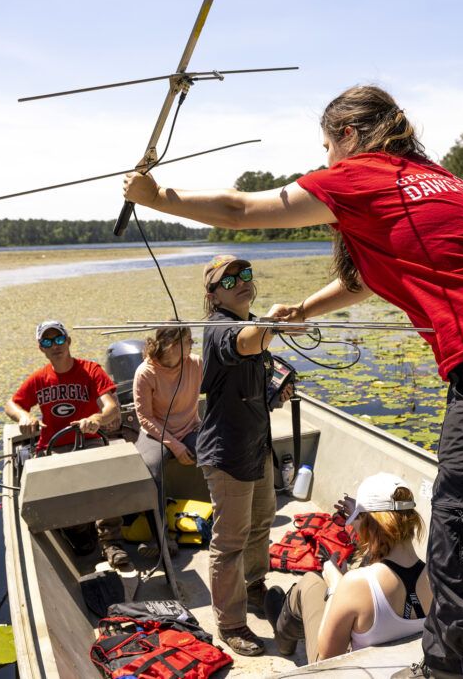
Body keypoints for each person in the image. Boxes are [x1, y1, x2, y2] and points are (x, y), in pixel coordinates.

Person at [124, 85, 463, 678]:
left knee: (462, 562)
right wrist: (307, 310)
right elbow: (365, 281)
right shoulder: (438, 179)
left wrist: (157, 196)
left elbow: (242, 209)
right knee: (455, 536)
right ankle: (441, 668)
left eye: (325, 146)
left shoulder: (360, 174)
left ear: (346, 136)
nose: (327, 158)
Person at [194, 254, 292, 657]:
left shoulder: (253, 329)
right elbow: (246, 342)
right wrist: (270, 322)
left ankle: (254, 587)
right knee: (230, 542)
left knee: (261, 523)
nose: (241, 282)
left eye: (245, 274)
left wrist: (274, 394)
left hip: (257, 445)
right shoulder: (219, 328)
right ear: (213, 293)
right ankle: (230, 623)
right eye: (229, 279)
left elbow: (251, 381)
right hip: (227, 452)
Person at [265, 472, 430, 664]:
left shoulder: (356, 584)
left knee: (311, 581)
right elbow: (391, 559)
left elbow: (326, 662)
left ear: (368, 524)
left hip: (342, 667)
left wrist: (335, 586)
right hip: (400, 666)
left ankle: (283, 637)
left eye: (356, 520)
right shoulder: (436, 577)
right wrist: (362, 515)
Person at [4, 319, 130, 567]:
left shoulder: (91, 370)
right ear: (41, 348)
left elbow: (112, 407)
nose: (55, 345)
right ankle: (81, 532)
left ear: (69, 341)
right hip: (52, 447)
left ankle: (112, 543)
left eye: (59, 339)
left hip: (90, 441)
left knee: (108, 479)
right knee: (55, 494)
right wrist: (24, 416)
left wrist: (96, 418)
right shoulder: (39, 379)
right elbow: (11, 404)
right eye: (48, 341)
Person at [132, 325, 202, 555]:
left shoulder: (195, 363)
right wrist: (175, 445)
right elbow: (144, 417)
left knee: (218, 454)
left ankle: (224, 519)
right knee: (151, 468)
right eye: (189, 340)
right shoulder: (146, 372)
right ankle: (160, 538)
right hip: (157, 433)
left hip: (190, 428)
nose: (193, 344)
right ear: (173, 346)